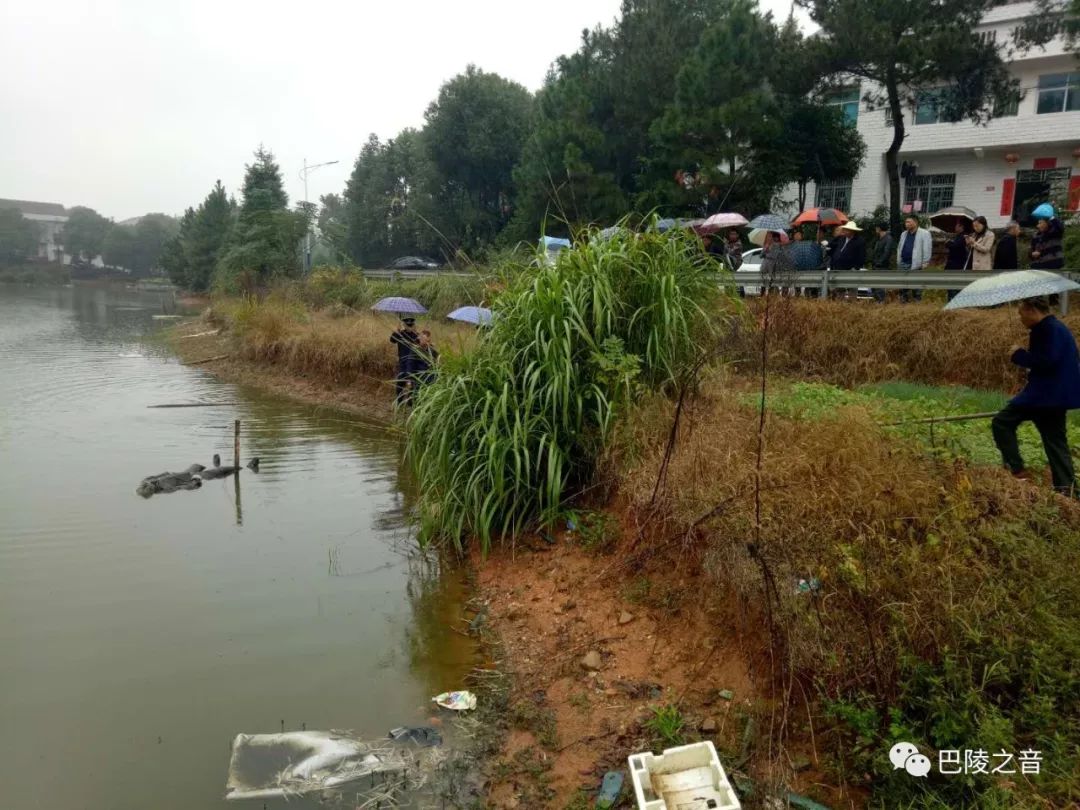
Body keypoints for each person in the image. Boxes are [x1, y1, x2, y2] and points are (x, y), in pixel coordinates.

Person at [991, 297, 1080, 495]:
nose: (1020, 317)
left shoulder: (1046, 330)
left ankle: (1016, 470)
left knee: (1002, 422)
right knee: (1055, 442)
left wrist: (1018, 355)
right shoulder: (1057, 328)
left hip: (1043, 396)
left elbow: (1046, 361)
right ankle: (1068, 490)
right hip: (1056, 395)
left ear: (1032, 310)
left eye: (1021, 312)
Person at [896, 215, 931, 302]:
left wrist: (925, 261)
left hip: (916, 264)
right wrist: (898, 260)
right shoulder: (903, 234)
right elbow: (900, 247)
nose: (906, 224)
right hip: (903, 262)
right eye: (906, 222)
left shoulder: (924, 233)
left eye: (908, 222)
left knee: (916, 286)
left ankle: (917, 304)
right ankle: (904, 304)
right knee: (903, 286)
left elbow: (927, 248)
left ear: (915, 223)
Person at [390, 316, 420, 406]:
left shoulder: (416, 335)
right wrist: (396, 331)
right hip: (403, 361)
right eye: (407, 325)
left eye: (411, 324)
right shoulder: (400, 334)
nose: (409, 326)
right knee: (400, 382)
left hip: (414, 363)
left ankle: (410, 402)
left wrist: (418, 334)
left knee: (412, 382)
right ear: (404, 325)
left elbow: (421, 345)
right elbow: (392, 340)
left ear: (414, 325)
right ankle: (399, 402)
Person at [407, 329, 439, 402]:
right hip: (419, 378)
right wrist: (409, 380)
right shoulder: (415, 351)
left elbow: (438, 361)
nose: (423, 341)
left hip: (430, 377)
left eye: (427, 340)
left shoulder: (432, 351)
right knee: (416, 397)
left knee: (428, 397)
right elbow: (410, 365)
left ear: (429, 340)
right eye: (422, 339)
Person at [871, 222, 894, 302]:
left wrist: (879, 263)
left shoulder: (888, 238)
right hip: (875, 266)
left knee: (879, 287)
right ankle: (878, 302)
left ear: (879, 228)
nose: (876, 229)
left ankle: (881, 303)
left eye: (877, 227)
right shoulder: (879, 239)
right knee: (874, 287)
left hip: (882, 267)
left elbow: (886, 253)